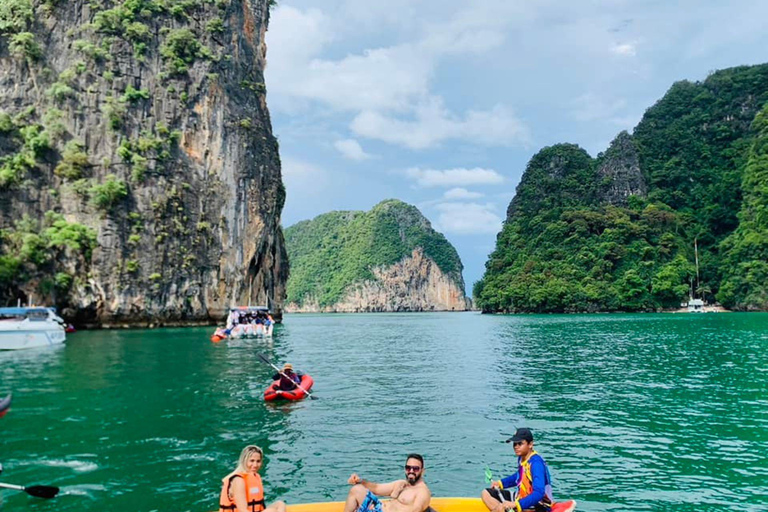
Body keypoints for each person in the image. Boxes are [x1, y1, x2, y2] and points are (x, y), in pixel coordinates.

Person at [481, 428, 567, 512]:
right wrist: (501, 483)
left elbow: (539, 493)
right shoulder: (522, 457)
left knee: (502, 507)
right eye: (514, 444)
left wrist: (516, 504)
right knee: (486, 493)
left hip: (538, 504)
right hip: (521, 496)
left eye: (520, 444)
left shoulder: (536, 464)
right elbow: (519, 476)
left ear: (530, 444)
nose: (516, 447)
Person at [343, 453, 431, 512]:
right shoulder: (401, 484)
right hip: (378, 508)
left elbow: (415, 510)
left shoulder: (422, 492)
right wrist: (360, 481)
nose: (411, 471)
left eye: (415, 468)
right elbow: (376, 488)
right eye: (408, 468)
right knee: (356, 489)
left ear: (422, 471)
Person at [219, 445, 286, 512]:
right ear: (244, 460)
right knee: (272, 511)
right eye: (252, 461)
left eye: (258, 461)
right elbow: (243, 510)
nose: (255, 465)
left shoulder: (255, 476)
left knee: (280, 504)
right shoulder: (238, 480)